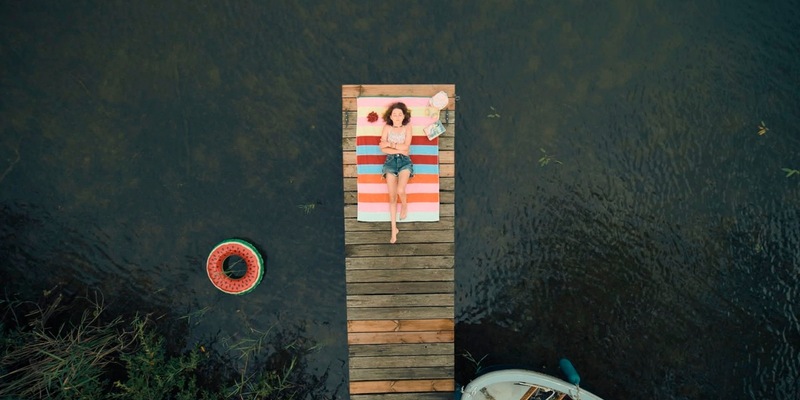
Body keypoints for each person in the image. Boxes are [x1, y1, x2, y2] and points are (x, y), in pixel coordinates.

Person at [379, 102, 414, 244]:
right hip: (390, 162)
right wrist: (399, 149)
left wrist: (391, 144)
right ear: (391, 117)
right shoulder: (387, 127)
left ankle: (404, 204)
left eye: (400, 114)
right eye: (395, 114)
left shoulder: (408, 127)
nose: (398, 116)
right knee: (392, 197)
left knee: (400, 189)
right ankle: (394, 229)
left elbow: (407, 146)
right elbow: (382, 148)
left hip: (405, 162)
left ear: (404, 116)